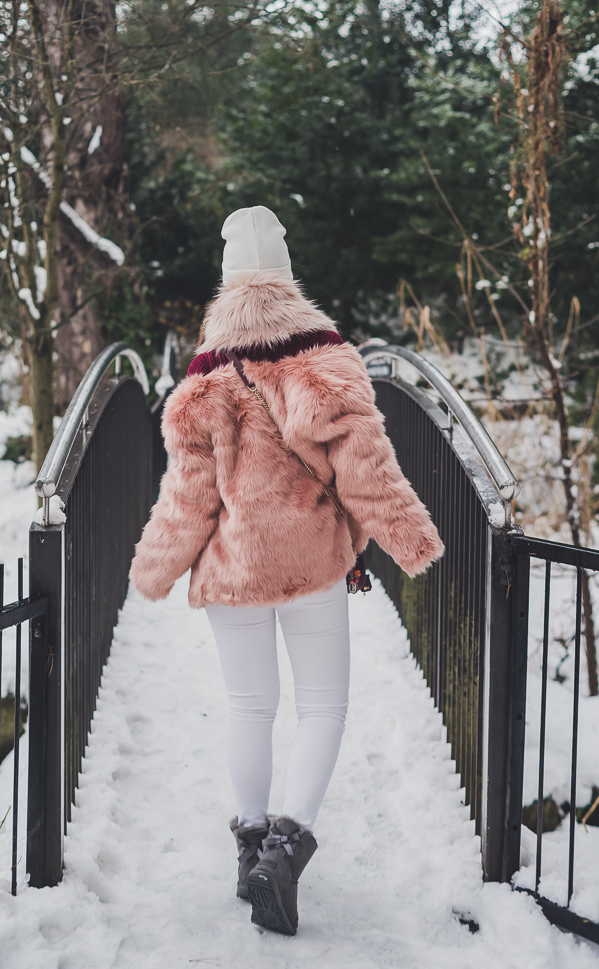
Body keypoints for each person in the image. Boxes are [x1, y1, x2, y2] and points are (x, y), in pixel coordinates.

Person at [130, 206, 444, 937]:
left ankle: (248, 850)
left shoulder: (204, 378)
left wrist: (155, 568)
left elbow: (188, 496)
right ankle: (285, 847)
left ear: (227, 281)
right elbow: (367, 469)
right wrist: (411, 540)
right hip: (312, 563)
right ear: (285, 271)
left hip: (234, 569)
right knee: (323, 705)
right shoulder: (325, 356)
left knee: (250, 705)